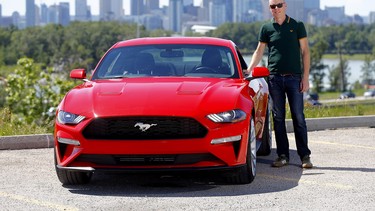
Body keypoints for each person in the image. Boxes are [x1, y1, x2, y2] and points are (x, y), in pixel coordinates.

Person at [246, 0, 313, 168]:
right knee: (278, 118)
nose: (276, 9)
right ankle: (282, 156)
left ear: (285, 6)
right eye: (272, 6)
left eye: (279, 5)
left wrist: (305, 78)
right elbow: (259, 50)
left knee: (298, 117)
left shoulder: (297, 26)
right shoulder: (266, 28)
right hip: (274, 79)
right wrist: (249, 69)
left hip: (294, 78)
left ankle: (305, 156)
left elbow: (305, 52)